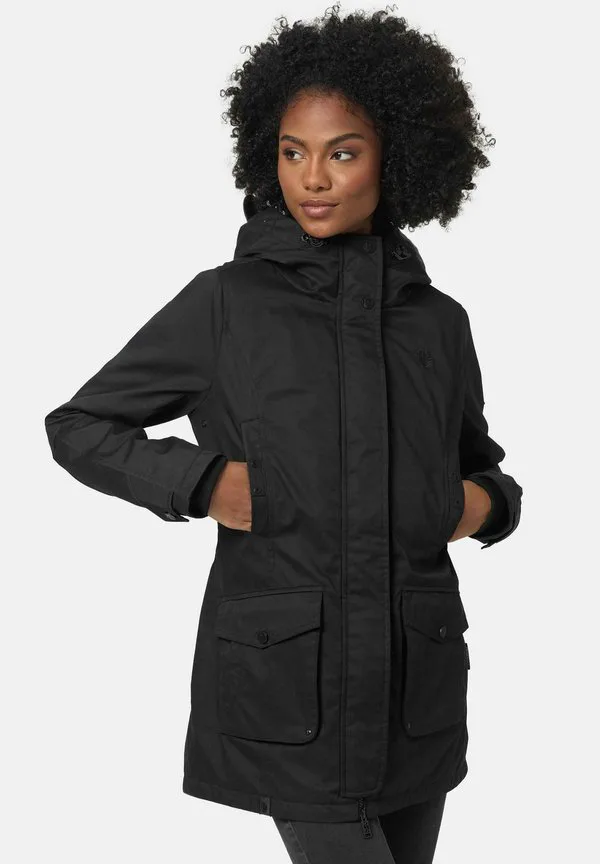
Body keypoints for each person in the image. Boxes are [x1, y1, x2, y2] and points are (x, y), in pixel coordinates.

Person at [44, 6, 523, 862]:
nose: (313, 178)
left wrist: (483, 505)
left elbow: (477, 464)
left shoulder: (438, 322)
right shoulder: (226, 303)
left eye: (343, 152)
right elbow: (79, 425)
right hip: (289, 686)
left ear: (396, 159)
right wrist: (202, 483)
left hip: (415, 687)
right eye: (293, 152)